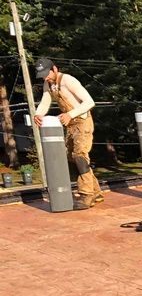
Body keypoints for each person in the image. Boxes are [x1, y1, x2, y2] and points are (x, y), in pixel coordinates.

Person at [32, 57, 103, 209]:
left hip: (83, 122)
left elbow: (90, 102)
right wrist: (38, 114)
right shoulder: (48, 84)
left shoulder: (68, 80)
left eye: (47, 74)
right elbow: (45, 100)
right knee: (72, 158)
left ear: (55, 69)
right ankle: (95, 192)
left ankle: (86, 195)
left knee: (80, 156)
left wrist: (70, 114)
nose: (46, 78)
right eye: (42, 75)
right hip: (70, 124)